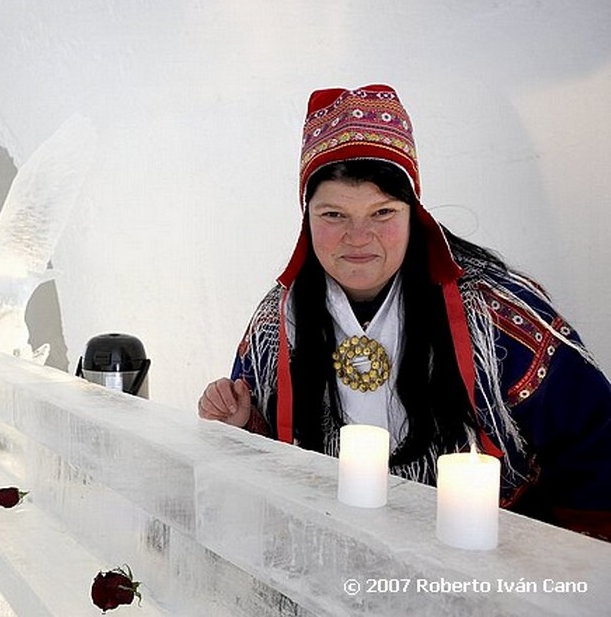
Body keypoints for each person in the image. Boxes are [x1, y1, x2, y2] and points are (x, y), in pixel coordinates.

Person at [197, 84, 611, 540]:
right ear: (306, 217)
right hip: (332, 554)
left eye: (382, 213)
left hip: (482, 565)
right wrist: (239, 426)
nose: (358, 237)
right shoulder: (279, 324)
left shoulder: (493, 314)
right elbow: (273, 454)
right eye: (333, 215)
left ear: (414, 212)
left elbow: (595, 439)